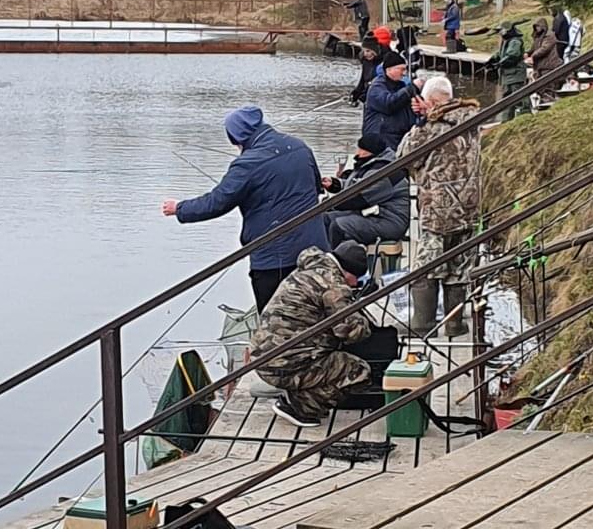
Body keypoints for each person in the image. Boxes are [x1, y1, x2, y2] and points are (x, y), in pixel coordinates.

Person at [162, 105, 329, 313]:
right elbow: (316, 187)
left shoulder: (247, 164)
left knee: (276, 322)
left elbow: (216, 202)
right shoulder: (299, 146)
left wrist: (179, 208)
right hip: (316, 248)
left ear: (235, 137)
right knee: (316, 312)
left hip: (273, 259)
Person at [250, 242, 372, 428]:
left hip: (264, 355)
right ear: (347, 271)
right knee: (358, 370)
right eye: (356, 278)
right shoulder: (333, 286)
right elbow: (351, 332)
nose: (355, 284)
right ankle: (301, 408)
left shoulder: (311, 269)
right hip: (281, 363)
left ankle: (296, 390)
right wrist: (361, 318)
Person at [396, 77, 481, 337]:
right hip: (469, 207)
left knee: (427, 266)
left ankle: (423, 323)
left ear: (430, 101)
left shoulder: (431, 127)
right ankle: (455, 324)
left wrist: (420, 123)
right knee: (459, 267)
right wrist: (431, 113)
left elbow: (404, 157)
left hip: (438, 210)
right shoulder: (470, 120)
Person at [321, 134, 410, 247]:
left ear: (368, 151)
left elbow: (359, 198)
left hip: (390, 221)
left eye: (360, 149)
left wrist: (328, 206)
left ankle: (334, 259)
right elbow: (357, 185)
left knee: (338, 226)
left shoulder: (385, 172)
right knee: (324, 219)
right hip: (372, 213)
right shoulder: (373, 164)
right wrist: (335, 184)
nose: (357, 153)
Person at [362, 50, 424, 150]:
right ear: (389, 69)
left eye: (405, 69)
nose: (404, 73)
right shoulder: (377, 87)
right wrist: (412, 88)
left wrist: (418, 106)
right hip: (382, 139)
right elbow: (389, 104)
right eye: (401, 69)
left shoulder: (402, 87)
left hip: (400, 137)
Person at [487, 21, 529, 122]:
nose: (501, 34)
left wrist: (499, 64)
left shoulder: (515, 41)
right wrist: (493, 59)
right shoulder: (507, 41)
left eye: (502, 31)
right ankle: (506, 121)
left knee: (520, 98)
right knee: (507, 101)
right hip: (507, 76)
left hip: (516, 75)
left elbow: (512, 55)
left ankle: (525, 118)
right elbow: (501, 53)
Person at [529, 18, 562, 104]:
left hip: (549, 65)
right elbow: (533, 48)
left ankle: (549, 102)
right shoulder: (537, 38)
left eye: (538, 26)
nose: (537, 28)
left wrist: (532, 56)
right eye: (536, 27)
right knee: (540, 87)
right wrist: (527, 53)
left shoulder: (549, 36)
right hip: (540, 67)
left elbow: (544, 49)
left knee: (548, 86)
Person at [349, 35, 381, 105]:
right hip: (367, 100)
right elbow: (362, 81)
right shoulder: (365, 63)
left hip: (377, 99)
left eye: (368, 51)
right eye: (363, 51)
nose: (365, 54)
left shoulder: (382, 64)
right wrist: (355, 94)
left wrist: (363, 96)